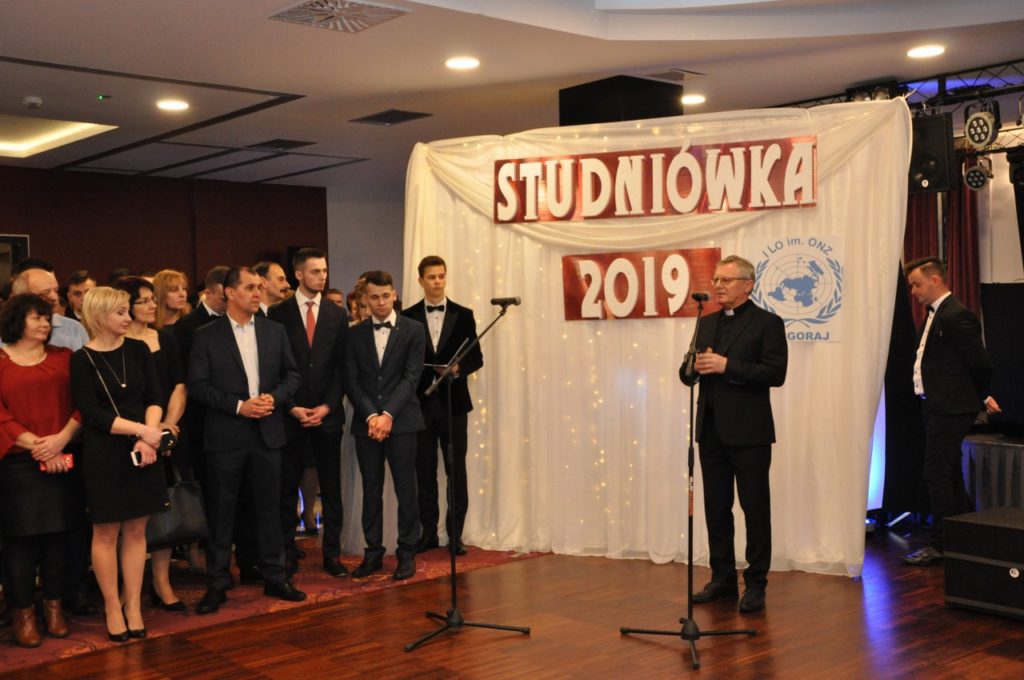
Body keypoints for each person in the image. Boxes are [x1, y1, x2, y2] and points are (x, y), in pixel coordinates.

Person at [188, 267, 305, 614]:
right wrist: (240, 406)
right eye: (251, 287)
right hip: (226, 436)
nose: (258, 293)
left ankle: (274, 576)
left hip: (268, 433)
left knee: (270, 509)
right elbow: (198, 386)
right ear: (230, 292)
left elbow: (292, 375)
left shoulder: (274, 330)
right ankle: (217, 582)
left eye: (259, 287)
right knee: (222, 512)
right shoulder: (206, 336)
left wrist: (274, 398)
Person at [679, 255, 787, 613]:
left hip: (749, 432)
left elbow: (775, 373)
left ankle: (755, 583)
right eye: (716, 280)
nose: (718, 286)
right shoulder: (706, 322)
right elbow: (687, 372)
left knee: (754, 509)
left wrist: (727, 366)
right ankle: (722, 579)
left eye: (726, 280)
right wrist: (692, 368)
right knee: (716, 509)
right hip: (710, 431)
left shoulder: (768, 323)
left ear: (747, 285)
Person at [70, 286, 169, 642]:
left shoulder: (139, 350)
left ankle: (134, 606)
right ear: (99, 316)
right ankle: (112, 606)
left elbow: (155, 397)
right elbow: (92, 414)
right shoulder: (82, 359)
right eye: (121, 312)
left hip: (145, 448)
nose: (129, 317)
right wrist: (142, 431)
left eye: (128, 310)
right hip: (105, 453)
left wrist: (149, 436)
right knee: (106, 532)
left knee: (137, 532)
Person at [902, 257, 1001, 566]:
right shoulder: (936, 315)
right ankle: (966, 534)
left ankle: (941, 543)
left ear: (935, 280)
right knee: (949, 471)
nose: (913, 291)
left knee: (936, 472)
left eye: (917, 284)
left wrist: (982, 394)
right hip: (935, 405)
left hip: (951, 406)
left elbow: (980, 362)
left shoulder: (957, 315)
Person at [0, 294, 83, 647]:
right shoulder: (1, 363)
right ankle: (22, 613)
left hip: (63, 458)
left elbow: (84, 404)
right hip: (18, 463)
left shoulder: (66, 358)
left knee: (58, 539)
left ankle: (54, 608)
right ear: (17, 320)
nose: (45, 323)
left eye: (47, 317)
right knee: (21, 542)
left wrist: (60, 441)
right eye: (37, 317)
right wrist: (38, 445)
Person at [269, 248, 349, 577]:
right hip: (292, 415)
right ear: (299, 274)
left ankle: (332, 553)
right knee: (287, 487)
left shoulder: (336, 313)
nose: (322, 276)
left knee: (331, 488)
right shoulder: (278, 313)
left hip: (327, 415)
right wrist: (290, 406)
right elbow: (274, 366)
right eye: (315, 271)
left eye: (325, 270)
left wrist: (328, 405)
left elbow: (342, 366)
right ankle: (288, 552)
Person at [112, 276, 188, 610]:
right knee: (126, 516)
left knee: (162, 512)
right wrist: (144, 431)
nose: (151, 305)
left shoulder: (165, 338)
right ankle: (126, 589)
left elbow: (179, 385)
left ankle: (161, 582)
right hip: (125, 436)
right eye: (142, 301)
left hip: (164, 434)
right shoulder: (113, 343)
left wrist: (167, 427)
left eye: (151, 299)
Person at [343, 270, 425, 581]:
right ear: (365, 299)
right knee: (371, 489)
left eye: (386, 296)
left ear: (394, 295)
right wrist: (371, 416)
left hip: (402, 421)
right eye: (374, 297)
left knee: (406, 489)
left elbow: (411, 377)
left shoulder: (414, 330)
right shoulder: (354, 334)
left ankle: (407, 553)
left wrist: (388, 414)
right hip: (366, 423)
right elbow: (351, 381)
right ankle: (373, 553)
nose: (381, 302)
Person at [402, 256, 482, 555]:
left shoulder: (464, 314)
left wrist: (458, 369)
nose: (437, 282)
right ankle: (428, 533)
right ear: (420, 281)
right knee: (423, 472)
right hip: (420, 405)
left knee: (455, 471)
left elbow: (477, 357)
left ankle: (455, 535)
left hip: (453, 404)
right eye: (431, 277)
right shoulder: (408, 316)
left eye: (441, 276)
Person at [10, 268, 89, 351]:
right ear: (22, 296)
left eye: (56, 291)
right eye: (46, 292)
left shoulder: (75, 328)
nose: (55, 298)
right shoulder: (6, 333)